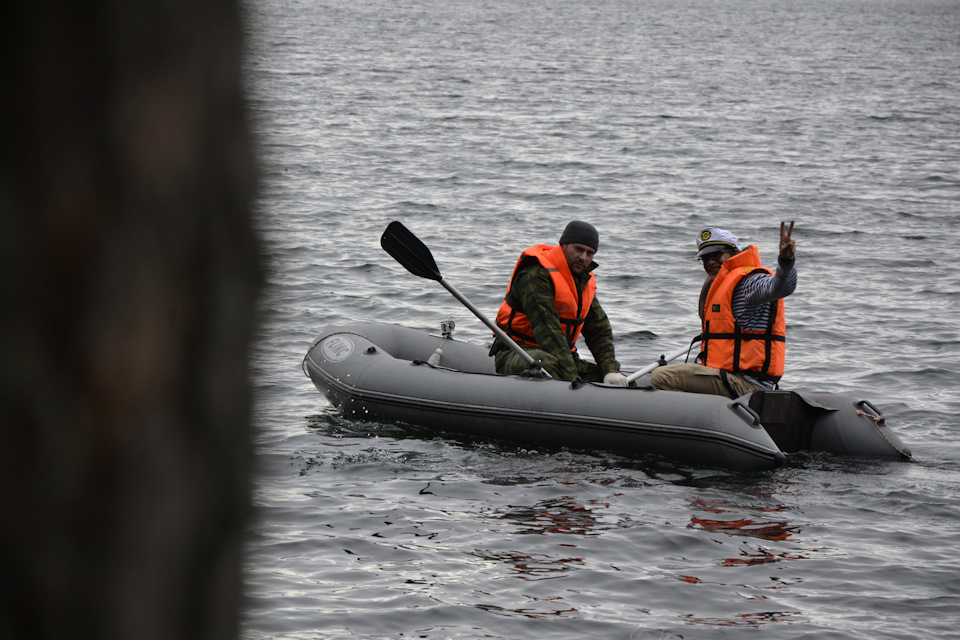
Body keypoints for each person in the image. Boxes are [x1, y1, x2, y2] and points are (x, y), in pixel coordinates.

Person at [650, 221, 797, 398]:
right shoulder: (723, 284)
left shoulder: (748, 282)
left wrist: (786, 262)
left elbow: (779, 288)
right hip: (729, 378)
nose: (710, 262)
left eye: (716, 255)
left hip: (745, 384)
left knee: (662, 377)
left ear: (735, 253)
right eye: (704, 258)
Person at [490, 221, 628, 385]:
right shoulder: (535, 275)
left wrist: (610, 370)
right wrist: (573, 380)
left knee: (615, 380)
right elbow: (549, 333)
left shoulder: (583, 281)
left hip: (563, 356)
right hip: (517, 351)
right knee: (547, 364)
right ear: (563, 245)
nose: (583, 257)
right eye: (578, 249)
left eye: (590, 253)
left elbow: (598, 329)